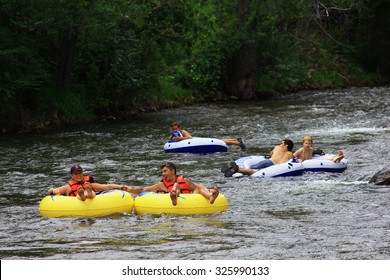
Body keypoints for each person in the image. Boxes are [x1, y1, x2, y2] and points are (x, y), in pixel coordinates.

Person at [123, 162, 219, 206]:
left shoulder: (185, 181)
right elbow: (144, 190)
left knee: (201, 185)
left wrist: (209, 190)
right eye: (162, 172)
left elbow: (196, 189)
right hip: (174, 202)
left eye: (165, 171)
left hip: (189, 202)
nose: (163, 174)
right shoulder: (160, 185)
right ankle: (174, 195)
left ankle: (211, 196)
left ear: (173, 171)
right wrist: (131, 189)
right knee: (176, 185)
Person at [47, 165, 129, 201]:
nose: (78, 175)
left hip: (90, 195)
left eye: (80, 173)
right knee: (80, 194)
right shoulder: (67, 187)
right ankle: (82, 194)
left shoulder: (89, 184)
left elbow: (107, 186)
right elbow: (50, 191)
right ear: (72, 175)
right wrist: (53, 191)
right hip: (76, 202)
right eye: (76, 174)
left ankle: (87, 192)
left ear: (82, 173)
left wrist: (121, 186)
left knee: (90, 191)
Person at [221, 139, 295, 177]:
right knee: (254, 171)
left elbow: (270, 155)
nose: (280, 144)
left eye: (282, 143)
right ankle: (237, 169)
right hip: (274, 168)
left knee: (252, 168)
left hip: (269, 162)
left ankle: (237, 168)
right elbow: (293, 162)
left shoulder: (277, 147)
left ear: (286, 146)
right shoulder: (291, 154)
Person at [169, 121, 246, 150]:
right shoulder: (174, 133)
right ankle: (235, 140)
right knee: (221, 140)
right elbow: (170, 140)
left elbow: (189, 137)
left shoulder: (183, 131)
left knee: (220, 141)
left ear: (179, 128)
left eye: (176, 128)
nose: (175, 130)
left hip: (193, 141)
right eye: (173, 129)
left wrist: (180, 138)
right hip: (193, 141)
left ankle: (238, 143)